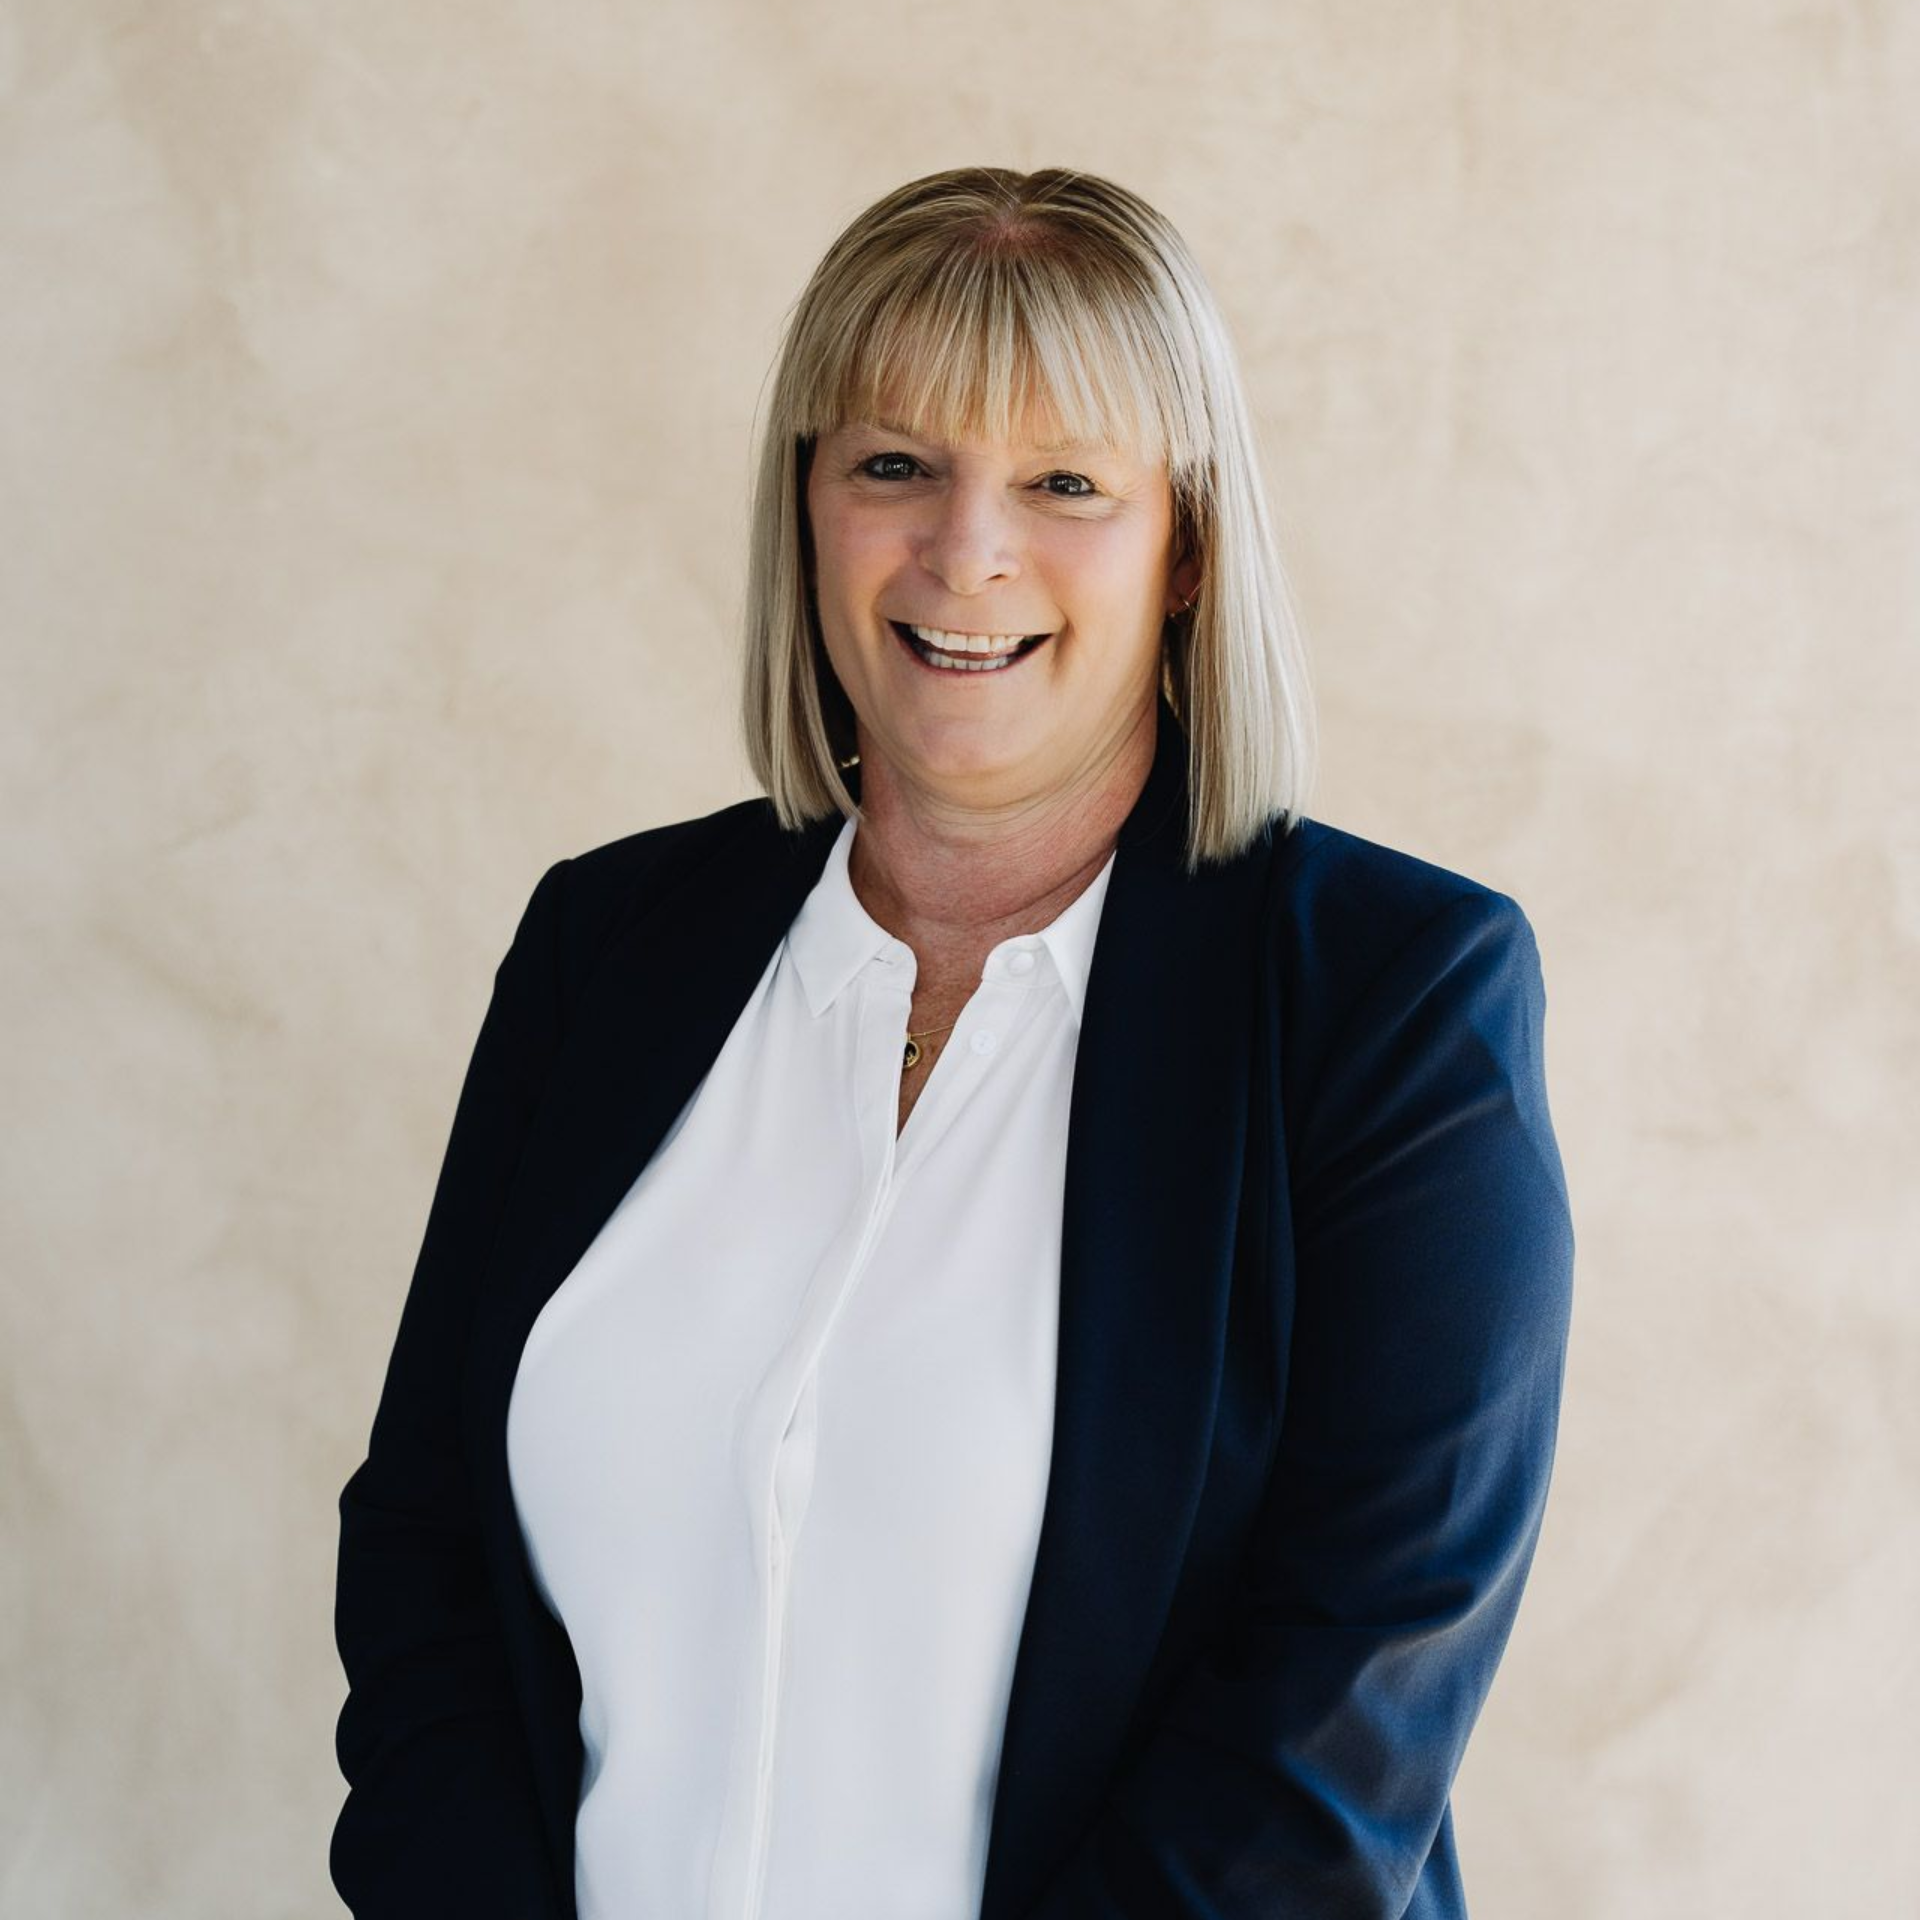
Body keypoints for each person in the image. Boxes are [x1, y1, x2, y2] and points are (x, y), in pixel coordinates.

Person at [329, 166, 1575, 1920]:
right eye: (893, 464)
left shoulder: (1389, 998)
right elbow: (426, 1547)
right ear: (810, 507)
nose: (964, 551)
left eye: (1065, 482)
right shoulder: (606, 947)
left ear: (1187, 544)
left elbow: (1344, 1709)